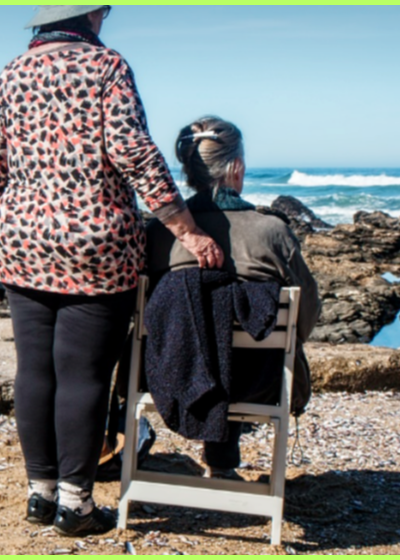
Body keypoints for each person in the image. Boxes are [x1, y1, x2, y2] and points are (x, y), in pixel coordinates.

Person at [0, 6, 225, 536]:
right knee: (83, 373)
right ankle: (75, 504)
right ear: (91, 14)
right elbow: (133, 151)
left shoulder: (12, 72)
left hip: (20, 238)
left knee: (34, 369)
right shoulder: (107, 66)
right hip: (96, 243)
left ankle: (40, 495)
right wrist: (186, 229)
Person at [144, 116, 320, 478]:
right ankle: (222, 465)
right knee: (241, 347)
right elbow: (307, 314)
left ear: (188, 170)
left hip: (166, 376)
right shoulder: (272, 232)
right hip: (257, 382)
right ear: (236, 167)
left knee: (202, 333)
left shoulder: (158, 234)